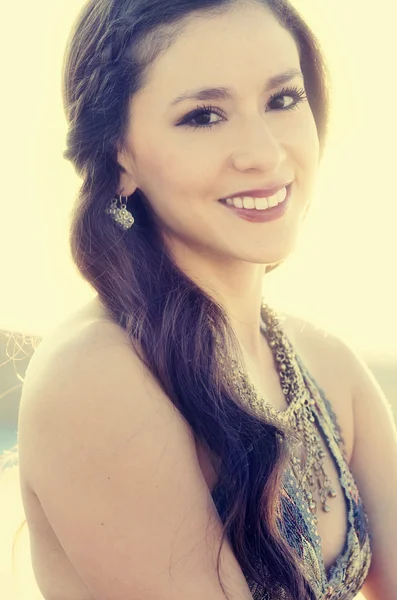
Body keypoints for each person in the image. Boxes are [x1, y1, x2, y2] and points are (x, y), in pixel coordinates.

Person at [12, 0, 397, 599]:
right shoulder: (95, 376)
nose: (265, 154)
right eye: (204, 116)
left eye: (283, 99)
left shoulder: (330, 369)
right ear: (120, 157)